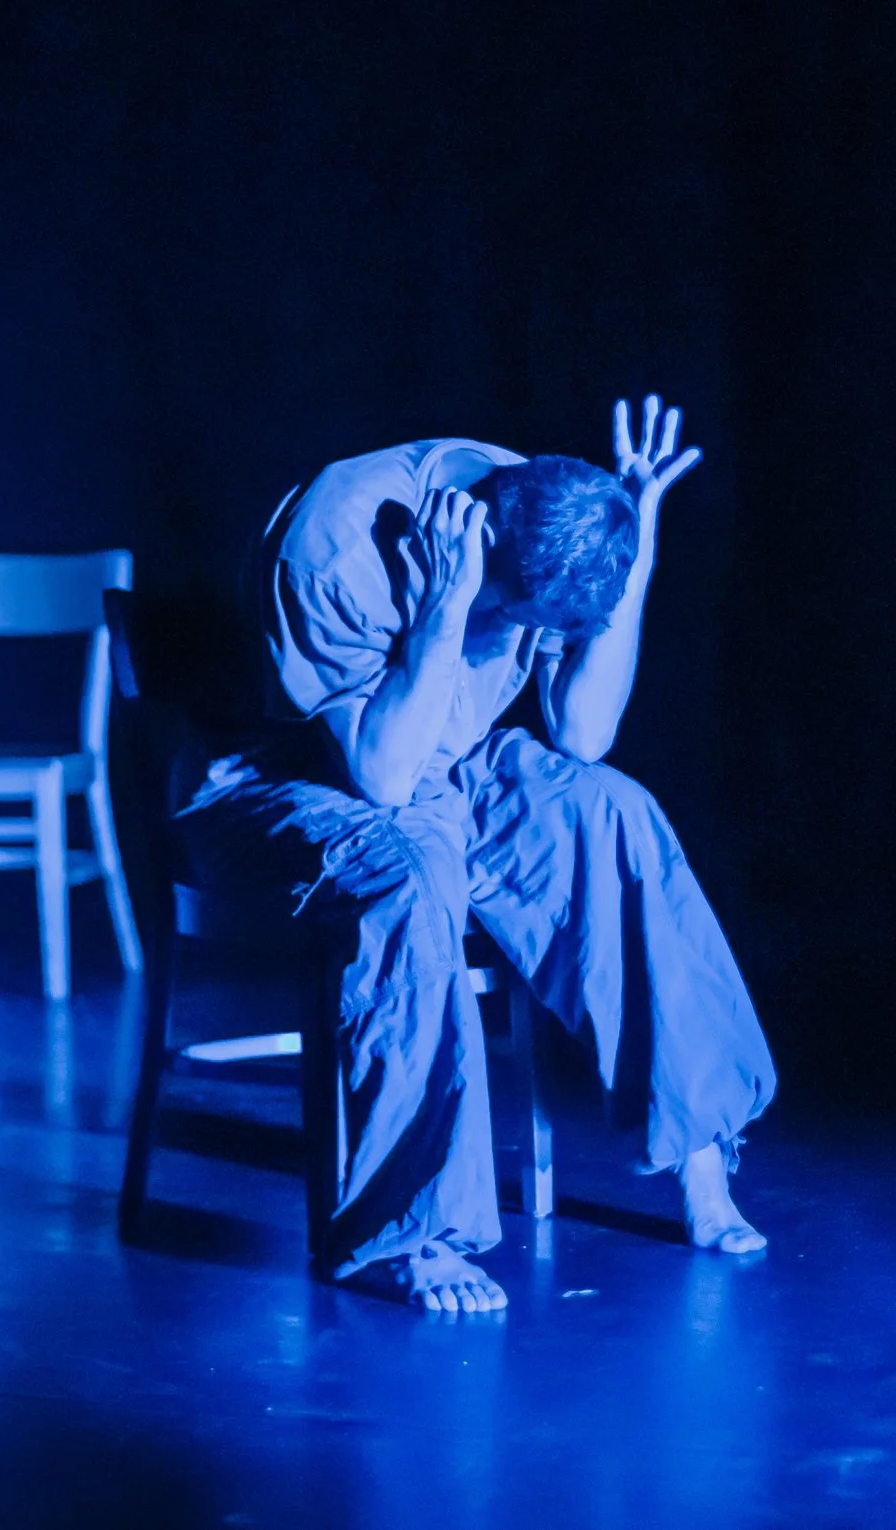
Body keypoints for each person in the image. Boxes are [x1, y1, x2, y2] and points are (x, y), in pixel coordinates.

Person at [177, 395, 775, 1313]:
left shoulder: (557, 525)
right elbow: (378, 775)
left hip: (442, 760)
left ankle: (699, 1161)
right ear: (486, 545)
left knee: (611, 811)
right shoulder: (339, 537)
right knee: (409, 868)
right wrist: (447, 612)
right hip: (282, 779)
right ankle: (417, 1230)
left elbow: (581, 733)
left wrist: (640, 539)